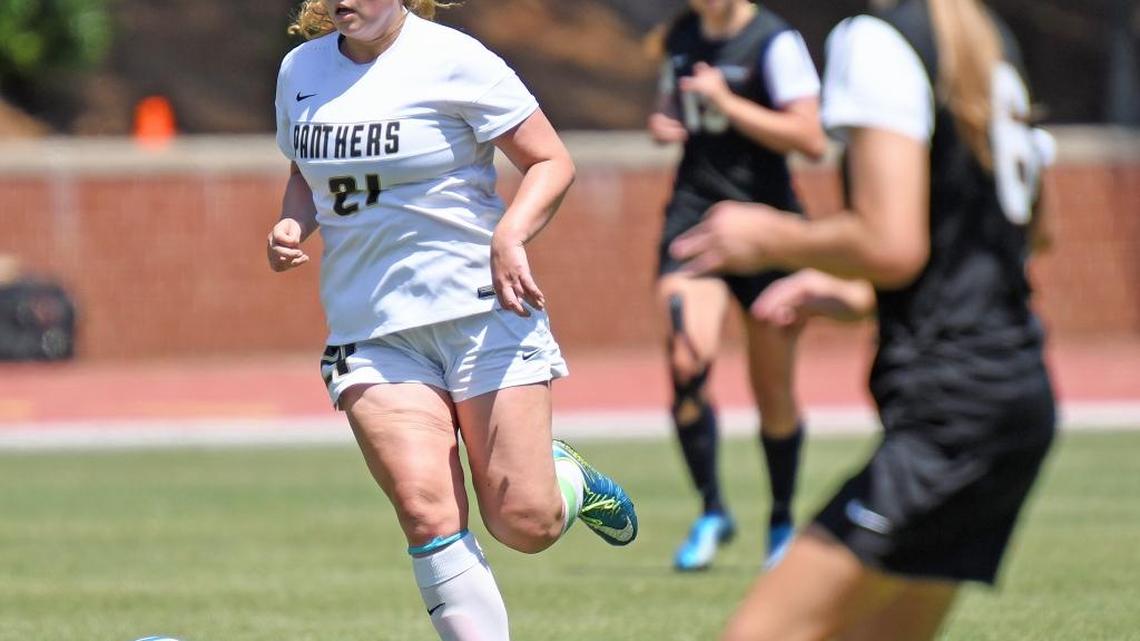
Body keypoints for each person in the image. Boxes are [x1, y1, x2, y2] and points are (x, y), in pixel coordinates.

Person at [671, 0, 1057, 637]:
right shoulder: (983, 37)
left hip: (951, 410)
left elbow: (893, 246)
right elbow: (1034, 234)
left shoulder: (876, 39)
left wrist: (771, 236)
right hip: (1015, 393)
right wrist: (852, 293)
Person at [267, 2, 638, 640]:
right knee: (425, 508)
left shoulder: (455, 58)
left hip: (480, 315)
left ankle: (566, 477)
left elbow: (551, 161)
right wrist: (291, 223)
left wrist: (510, 235)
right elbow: (307, 174)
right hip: (373, 331)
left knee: (526, 522)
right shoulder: (300, 68)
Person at [647, 0, 827, 571]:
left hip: (768, 227)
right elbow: (669, 104)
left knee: (772, 390)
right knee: (686, 359)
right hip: (693, 220)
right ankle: (712, 510)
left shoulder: (776, 42)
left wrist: (730, 104)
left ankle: (780, 520)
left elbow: (811, 138)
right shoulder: (680, 35)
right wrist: (664, 121)